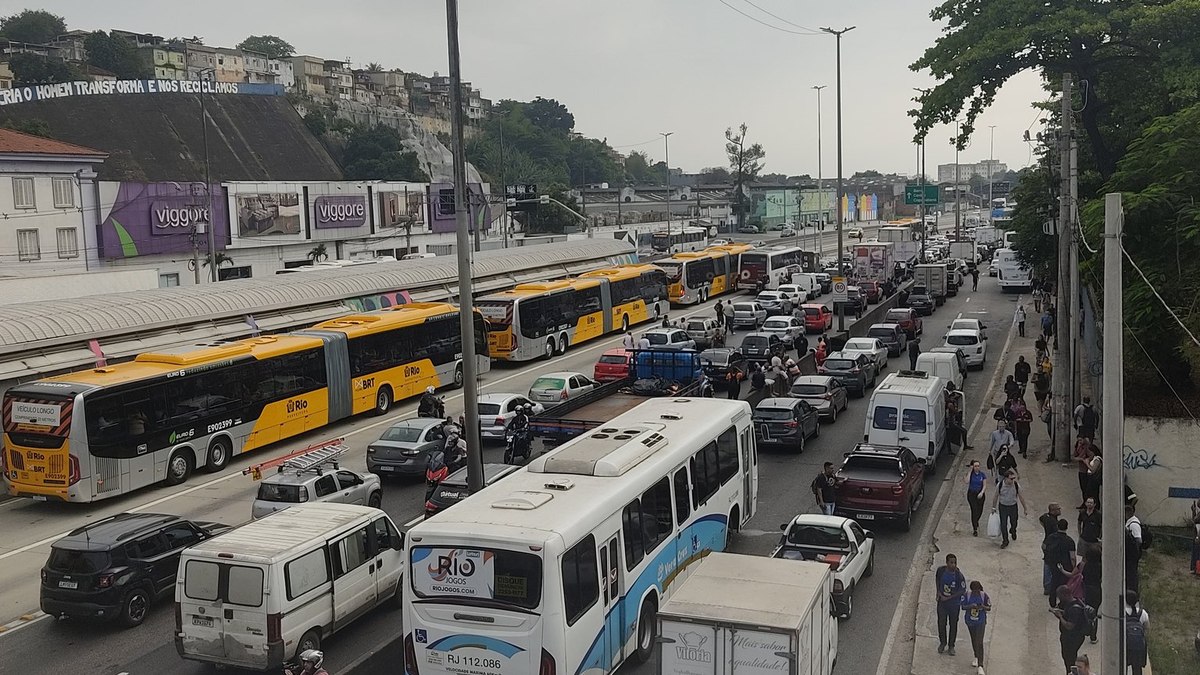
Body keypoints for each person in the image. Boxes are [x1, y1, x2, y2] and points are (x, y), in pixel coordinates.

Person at [934, 554, 967, 656]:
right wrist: (938, 592)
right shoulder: (941, 571)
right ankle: (942, 642)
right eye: (951, 562)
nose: (953, 565)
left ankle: (951, 645)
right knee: (941, 623)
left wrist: (948, 598)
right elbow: (937, 580)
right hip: (942, 603)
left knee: (953, 624)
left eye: (955, 563)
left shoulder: (958, 576)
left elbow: (962, 590)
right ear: (947, 563)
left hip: (954, 604)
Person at [1051, 585, 1089, 674]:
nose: (1059, 599)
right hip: (1072, 637)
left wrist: (1060, 617)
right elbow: (1069, 616)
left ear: (1066, 595)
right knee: (1067, 658)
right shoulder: (1074, 603)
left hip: (1072, 638)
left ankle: (1071, 673)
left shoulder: (1074, 609)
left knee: (1070, 660)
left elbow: (1069, 626)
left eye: (1060, 597)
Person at [990, 469, 1028, 548]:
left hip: (1013, 506)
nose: (1013, 480)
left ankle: (1013, 530)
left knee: (1014, 522)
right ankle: (1005, 540)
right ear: (1006, 478)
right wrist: (993, 507)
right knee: (1003, 524)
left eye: (1014, 478)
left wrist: (1025, 508)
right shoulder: (1000, 485)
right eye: (1011, 478)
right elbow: (996, 496)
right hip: (1003, 506)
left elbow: (1021, 497)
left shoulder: (1016, 485)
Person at [1046, 518, 1078, 608]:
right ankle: (1063, 603)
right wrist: (1073, 567)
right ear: (1067, 527)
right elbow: (1072, 557)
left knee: (1054, 581)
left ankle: (1052, 601)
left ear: (1057, 526)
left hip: (1053, 563)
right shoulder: (1069, 541)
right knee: (1064, 584)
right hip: (1065, 565)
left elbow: (1044, 546)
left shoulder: (1051, 537)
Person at [961, 580, 991, 674]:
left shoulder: (984, 596)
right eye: (974, 591)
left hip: (980, 622)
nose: (976, 592)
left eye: (977, 591)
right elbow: (963, 606)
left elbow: (989, 607)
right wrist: (971, 606)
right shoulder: (967, 595)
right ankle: (976, 656)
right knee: (974, 640)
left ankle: (981, 666)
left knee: (979, 642)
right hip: (970, 621)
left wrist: (982, 606)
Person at [1040, 503, 1064, 594]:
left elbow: (1040, 519)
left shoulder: (1046, 517)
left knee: (1047, 563)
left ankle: (1047, 585)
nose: (1060, 510)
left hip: (1045, 543)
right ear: (1053, 511)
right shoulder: (1054, 523)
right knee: (1050, 565)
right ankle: (1049, 586)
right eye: (1058, 509)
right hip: (1051, 545)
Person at [1124, 590, 1149, 675]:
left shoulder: (1121, 612)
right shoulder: (1143, 613)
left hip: (1125, 645)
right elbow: (1146, 628)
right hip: (1138, 646)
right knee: (1137, 668)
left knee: (1123, 666)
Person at [965, 460, 988, 536]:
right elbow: (966, 481)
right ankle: (975, 528)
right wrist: (969, 472)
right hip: (972, 494)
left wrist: (982, 492)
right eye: (975, 466)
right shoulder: (971, 474)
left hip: (980, 494)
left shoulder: (982, 475)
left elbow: (984, 485)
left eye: (978, 466)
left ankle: (976, 520)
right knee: (974, 510)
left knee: (980, 510)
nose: (977, 467)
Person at [1124, 504, 1143, 593]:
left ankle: (1133, 591)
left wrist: (1134, 551)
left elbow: (1139, 540)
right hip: (1130, 554)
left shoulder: (1134, 524)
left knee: (1132, 573)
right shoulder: (1129, 522)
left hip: (1133, 554)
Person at [1072, 436, 1095, 505]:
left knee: (1087, 488)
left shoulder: (1087, 448)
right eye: (1078, 441)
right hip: (1081, 470)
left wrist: (1085, 460)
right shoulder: (1078, 447)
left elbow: (1092, 455)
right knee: (1083, 488)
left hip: (1087, 471)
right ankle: (1084, 502)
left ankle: (1088, 502)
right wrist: (1080, 459)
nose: (1080, 442)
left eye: (1081, 440)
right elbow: (1074, 456)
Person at [1191, 498, 1200, 576]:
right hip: (1197, 535)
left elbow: (1195, 521)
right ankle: (1195, 568)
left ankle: (1197, 569)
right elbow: (1194, 520)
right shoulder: (1199, 513)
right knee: (1196, 553)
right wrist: (1193, 511)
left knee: (1197, 553)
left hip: (1198, 535)